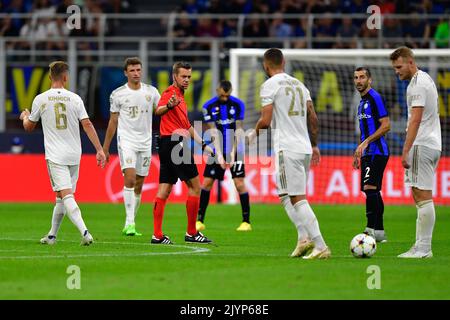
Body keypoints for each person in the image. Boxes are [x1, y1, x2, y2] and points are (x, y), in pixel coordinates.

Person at [252, 48, 330, 259]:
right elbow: (312, 116)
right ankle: (303, 238)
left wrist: (253, 134)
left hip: (287, 147)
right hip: (304, 146)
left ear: (266, 66)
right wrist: (314, 144)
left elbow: (266, 121)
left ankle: (320, 245)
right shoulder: (299, 84)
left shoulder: (269, 85)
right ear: (283, 62)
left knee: (297, 198)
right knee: (285, 193)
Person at [19, 61, 106, 245]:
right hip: (75, 154)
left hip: (55, 156)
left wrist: (25, 116)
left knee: (66, 195)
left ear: (50, 77)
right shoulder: (75, 98)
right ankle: (52, 236)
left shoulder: (40, 99)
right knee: (61, 196)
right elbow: (87, 124)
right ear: (66, 77)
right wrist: (99, 149)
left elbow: (29, 127)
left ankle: (85, 233)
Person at [151, 61, 214, 245]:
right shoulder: (170, 93)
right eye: (183, 76)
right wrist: (169, 106)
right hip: (174, 143)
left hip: (165, 143)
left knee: (164, 188)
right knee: (196, 186)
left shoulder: (180, 96)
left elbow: (186, 125)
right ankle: (192, 233)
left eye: (189, 76)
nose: (186, 80)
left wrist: (203, 145)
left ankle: (157, 235)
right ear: (174, 77)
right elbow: (158, 110)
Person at [390, 46, 442, 258]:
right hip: (431, 143)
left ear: (410, 62)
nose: (397, 71)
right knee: (420, 195)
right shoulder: (423, 79)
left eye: (399, 66)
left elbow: (416, 119)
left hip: (422, 143)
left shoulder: (418, 84)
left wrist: (406, 149)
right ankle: (420, 246)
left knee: (422, 195)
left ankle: (423, 248)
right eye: (394, 68)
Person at [102, 57, 160, 236]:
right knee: (130, 178)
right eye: (132, 70)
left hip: (145, 141)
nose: (136, 73)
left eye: (138, 70)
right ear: (126, 73)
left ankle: (130, 222)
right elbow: (113, 121)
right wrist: (105, 148)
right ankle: (130, 222)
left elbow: (160, 111)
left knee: (140, 183)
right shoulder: (118, 94)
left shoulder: (151, 92)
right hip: (126, 140)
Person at [196, 80, 251, 232]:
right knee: (207, 183)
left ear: (231, 91)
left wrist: (232, 154)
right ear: (217, 90)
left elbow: (239, 129)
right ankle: (199, 221)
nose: (225, 98)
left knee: (239, 183)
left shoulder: (238, 104)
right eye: (222, 95)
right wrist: (219, 155)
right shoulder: (208, 106)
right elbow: (213, 131)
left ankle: (246, 222)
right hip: (216, 149)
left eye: (227, 95)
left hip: (236, 149)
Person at [352, 67, 390, 243]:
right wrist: (359, 151)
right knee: (373, 190)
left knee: (369, 189)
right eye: (356, 78)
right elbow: (364, 132)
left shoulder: (375, 97)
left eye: (362, 77)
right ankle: (380, 231)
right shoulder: (361, 102)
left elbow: (386, 125)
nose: (359, 81)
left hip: (377, 151)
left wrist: (366, 142)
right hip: (368, 153)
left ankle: (369, 230)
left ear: (370, 80)